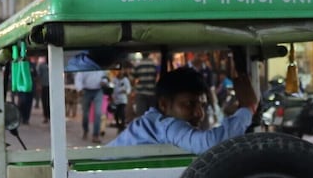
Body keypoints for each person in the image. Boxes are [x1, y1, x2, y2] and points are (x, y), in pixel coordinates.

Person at [108, 64, 257, 154]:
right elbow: (211, 144)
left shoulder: (151, 123)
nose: (199, 113)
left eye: (202, 105)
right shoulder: (166, 125)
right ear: (164, 105)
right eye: (189, 104)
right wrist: (247, 109)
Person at [75, 68, 107, 144]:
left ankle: (95, 135)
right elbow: (78, 79)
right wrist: (79, 89)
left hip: (98, 90)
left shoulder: (100, 66)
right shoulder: (84, 66)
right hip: (86, 91)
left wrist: (104, 82)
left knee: (98, 113)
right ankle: (85, 130)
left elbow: (105, 77)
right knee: (85, 114)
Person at [132, 53, 159, 119]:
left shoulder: (138, 65)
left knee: (141, 115)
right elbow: (156, 77)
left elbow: (132, 78)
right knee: (152, 115)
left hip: (141, 92)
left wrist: (134, 87)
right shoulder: (153, 64)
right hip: (152, 92)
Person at [111, 65, 132, 132]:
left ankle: (122, 126)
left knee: (122, 112)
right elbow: (111, 88)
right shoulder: (114, 79)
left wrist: (126, 91)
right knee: (116, 114)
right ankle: (118, 126)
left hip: (123, 99)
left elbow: (129, 88)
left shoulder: (125, 80)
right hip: (116, 99)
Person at [37, 58, 51, 124]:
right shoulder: (41, 65)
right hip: (44, 85)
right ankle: (46, 116)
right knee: (45, 101)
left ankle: (49, 116)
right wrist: (39, 84)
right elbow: (38, 75)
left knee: (50, 101)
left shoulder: (51, 64)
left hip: (51, 86)